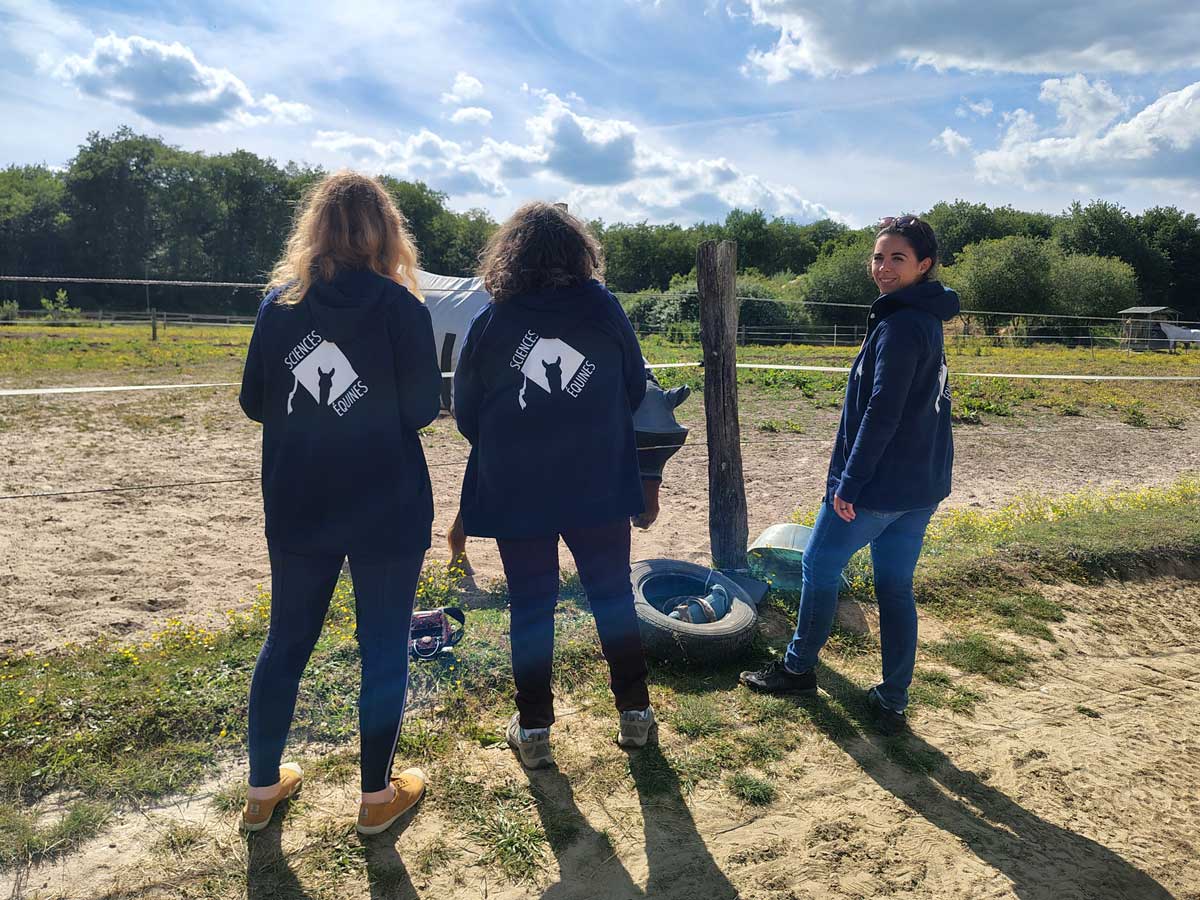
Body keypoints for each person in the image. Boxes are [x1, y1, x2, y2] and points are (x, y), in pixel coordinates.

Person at [237, 171, 442, 833]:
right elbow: (420, 411)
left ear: (314, 228)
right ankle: (377, 800)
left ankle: (262, 791)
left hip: (299, 501)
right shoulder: (403, 307)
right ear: (386, 232)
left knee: (286, 642)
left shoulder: (279, 305)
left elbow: (252, 402)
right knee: (383, 647)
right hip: (387, 503)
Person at [452, 202, 655, 769]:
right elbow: (635, 387)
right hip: (596, 481)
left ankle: (535, 726)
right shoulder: (604, 308)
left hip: (519, 486)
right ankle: (635, 711)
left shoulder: (492, 319)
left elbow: (465, 410)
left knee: (531, 606)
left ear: (510, 255)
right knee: (613, 594)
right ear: (578, 251)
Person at [740, 215, 958, 735]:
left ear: (923, 265)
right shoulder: (923, 318)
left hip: (878, 488)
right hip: (918, 488)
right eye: (879, 257)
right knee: (894, 587)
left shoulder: (902, 324)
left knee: (819, 565)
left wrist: (849, 483)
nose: (883, 267)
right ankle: (893, 699)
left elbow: (883, 409)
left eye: (897, 258)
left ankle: (797, 669)